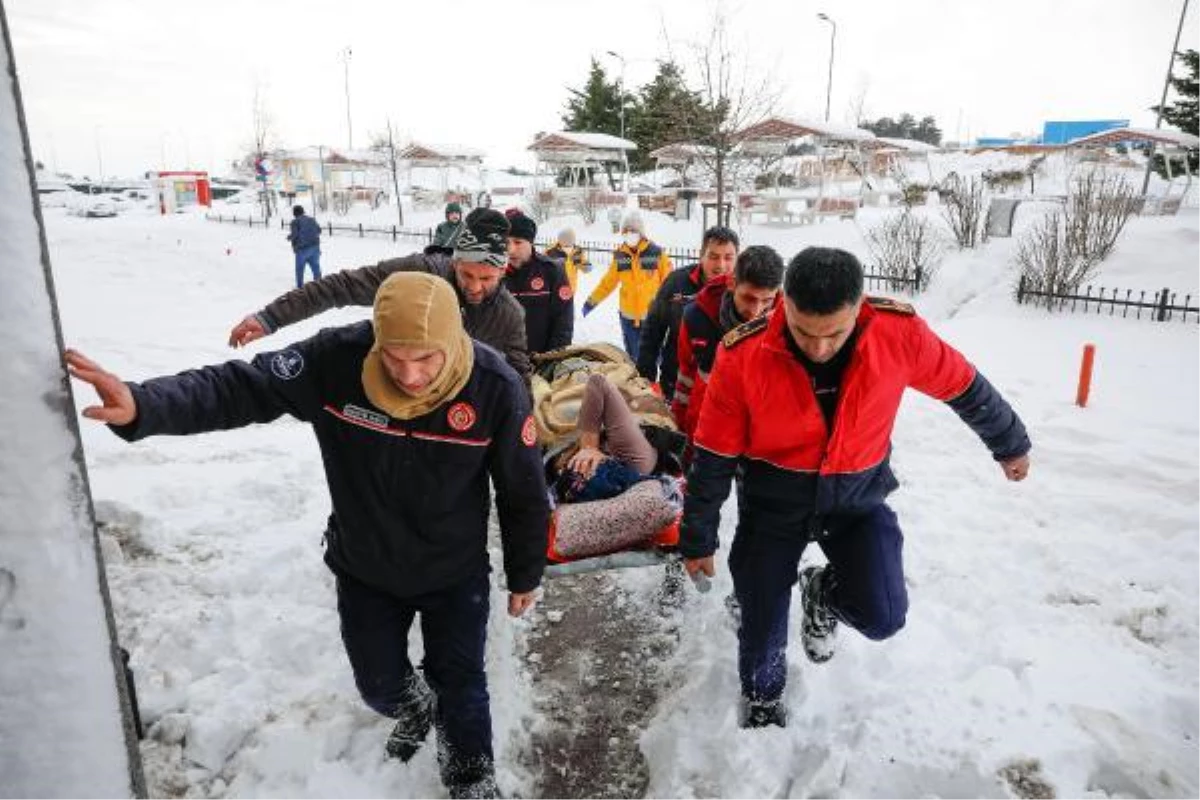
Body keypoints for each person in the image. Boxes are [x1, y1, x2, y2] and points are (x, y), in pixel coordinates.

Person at [67, 272, 548, 799]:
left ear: (453, 340)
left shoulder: (494, 386)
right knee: (378, 685)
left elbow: (522, 489)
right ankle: (412, 706)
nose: (409, 375)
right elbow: (241, 387)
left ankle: (471, 782)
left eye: (426, 360)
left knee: (461, 685)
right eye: (394, 357)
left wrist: (525, 570)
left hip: (453, 572)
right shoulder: (337, 360)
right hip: (366, 566)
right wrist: (144, 405)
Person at [680, 247, 1032, 730]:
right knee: (761, 623)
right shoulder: (742, 353)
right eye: (804, 332)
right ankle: (762, 701)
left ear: (859, 309)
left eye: (835, 334)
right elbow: (714, 454)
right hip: (774, 505)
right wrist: (698, 537)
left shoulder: (898, 333)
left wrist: (1009, 443)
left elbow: (964, 386)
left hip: (856, 500)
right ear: (784, 305)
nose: (819, 347)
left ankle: (821, 593)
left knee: (883, 614)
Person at [227, 208, 533, 383]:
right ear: (455, 263)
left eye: (487, 278)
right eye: (467, 275)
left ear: (503, 272)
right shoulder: (419, 273)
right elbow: (342, 286)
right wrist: (270, 318)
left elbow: (517, 377)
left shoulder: (509, 314)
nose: (475, 286)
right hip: (396, 392)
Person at [673, 245, 784, 439]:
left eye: (767, 301)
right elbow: (685, 377)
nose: (756, 311)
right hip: (704, 428)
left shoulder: (786, 324)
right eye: (748, 298)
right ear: (732, 282)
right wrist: (679, 426)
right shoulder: (696, 317)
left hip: (758, 436)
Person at [636, 226, 739, 401]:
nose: (721, 265)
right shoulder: (676, 282)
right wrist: (646, 382)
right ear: (702, 255)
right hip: (675, 385)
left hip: (724, 392)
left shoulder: (744, 291)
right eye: (713, 257)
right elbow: (652, 333)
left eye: (728, 258)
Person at [582, 211, 673, 360]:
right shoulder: (620, 256)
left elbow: (670, 283)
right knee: (634, 358)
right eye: (626, 231)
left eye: (633, 230)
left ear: (641, 233)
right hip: (629, 320)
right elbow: (607, 283)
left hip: (653, 318)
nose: (629, 234)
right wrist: (591, 301)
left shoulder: (656, 253)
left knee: (656, 357)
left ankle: (655, 383)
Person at [502, 210, 574, 354]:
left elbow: (563, 322)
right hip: (504, 362)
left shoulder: (552, 271)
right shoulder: (494, 273)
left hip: (541, 360)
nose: (510, 250)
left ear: (530, 242)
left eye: (518, 242)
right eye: (506, 243)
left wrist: (552, 360)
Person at [545, 227, 592, 292]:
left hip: (571, 287)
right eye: (565, 245)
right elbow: (542, 266)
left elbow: (583, 262)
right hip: (555, 288)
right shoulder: (551, 252)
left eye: (570, 243)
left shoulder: (577, 251)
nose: (568, 246)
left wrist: (586, 266)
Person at [287, 205, 322, 288]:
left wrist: (290, 237)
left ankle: (300, 287)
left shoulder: (295, 222)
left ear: (295, 213)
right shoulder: (312, 219)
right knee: (316, 267)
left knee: (300, 269)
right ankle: (319, 285)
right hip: (315, 247)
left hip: (302, 249)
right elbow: (319, 230)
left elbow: (295, 234)